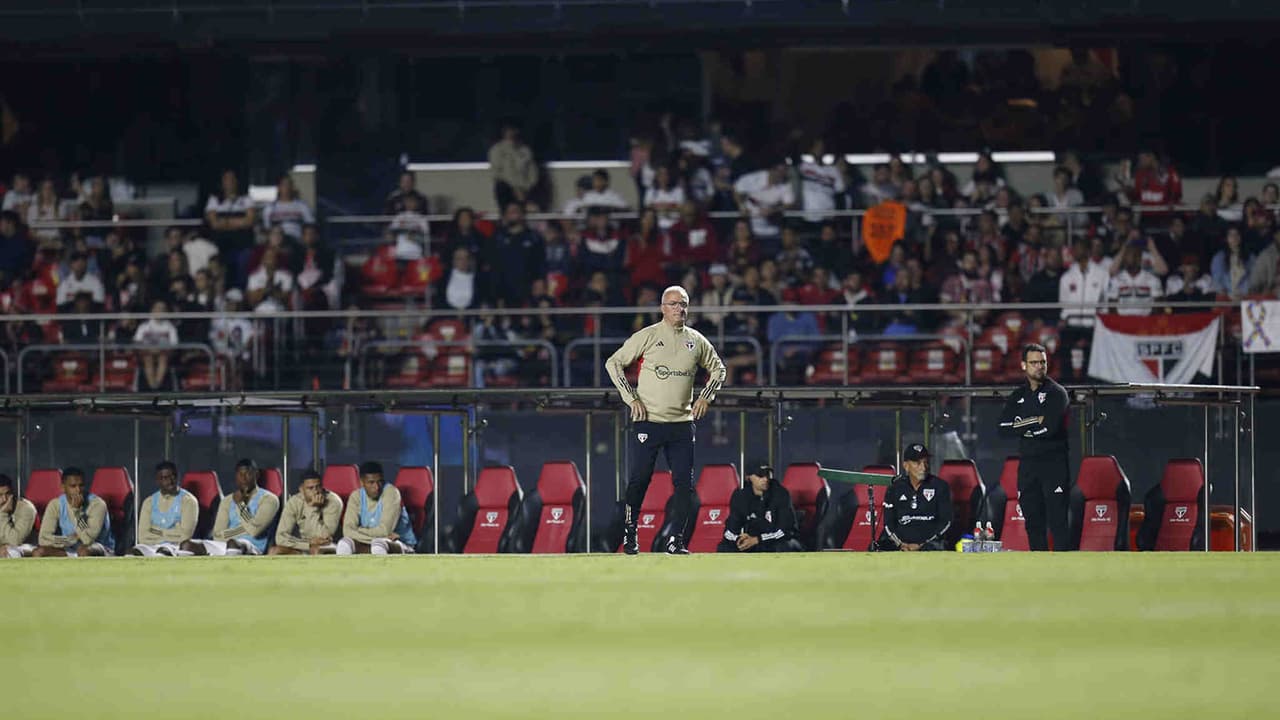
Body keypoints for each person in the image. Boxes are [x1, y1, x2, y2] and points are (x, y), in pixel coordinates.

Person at [605, 285, 727, 555]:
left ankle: (676, 540)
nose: (679, 309)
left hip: (682, 423)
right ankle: (630, 532)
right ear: (662, 307)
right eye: (673, 304)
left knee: (684, 485)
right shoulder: (648, 336)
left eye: (683, 304)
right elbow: (613, 363)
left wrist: (706, 396)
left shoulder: (696, 340)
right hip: (649, 421)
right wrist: (630, 398)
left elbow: (719, 368)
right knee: (640, 479)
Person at [998, 343, 1072, 552]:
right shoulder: (1018, 396)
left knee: (1058, 521)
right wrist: (1033, 422)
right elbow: (1003, 428)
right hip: (1028, 465)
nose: (1039, 366)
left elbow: (1049, 428)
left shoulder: (1057, 393)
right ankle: (1039, 569)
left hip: (1054, 465)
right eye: (1034, 362)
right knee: (1032, 521)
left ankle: (1064, 570)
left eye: (1042, 362)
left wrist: (1021, 425)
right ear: (1023, 365)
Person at [182, 459, 280, 556]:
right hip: (224, 545)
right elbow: (217, 535)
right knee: (187, 546)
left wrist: (240, 505)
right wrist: (244, 529)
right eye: (240, 474)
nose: (244, 478)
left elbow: (254, 531)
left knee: (233, 544)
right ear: (236, 476)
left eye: (248, 474)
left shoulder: (269, 499)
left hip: (253, 547)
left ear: (256, 475)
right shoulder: (227, 501)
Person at [876, 443, 953, 551]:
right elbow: (888, 524)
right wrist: (900, 544)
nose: (923, 467)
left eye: (926, 462)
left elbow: (946, 522)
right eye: (918, 463)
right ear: (906, 466)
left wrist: (922, 545)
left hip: (930, 545)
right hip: (900, 546)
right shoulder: (895, 488)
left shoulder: (940, 486)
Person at [717, 462, 804, 553]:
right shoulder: (740, 495)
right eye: (760, 475)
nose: (765, 479)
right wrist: (739, 539)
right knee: (724, 547)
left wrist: (757, 539)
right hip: (753, 539)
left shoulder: (780, 493)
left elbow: (785, 531)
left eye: (767, 474)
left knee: (784, 546)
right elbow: (729, 530)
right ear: (748, 477)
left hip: (779, 539)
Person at [336, 461, 417, 555]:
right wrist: (375, 536)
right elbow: (347, 531)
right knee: (344, 544)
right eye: (371, 483)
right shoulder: (356, 496)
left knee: (378, 545)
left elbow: (384, 531)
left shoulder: (391, 493)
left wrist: (358, 530)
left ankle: (382, 570)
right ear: (362, 483)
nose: (377, 487)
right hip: (371, 542)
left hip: (401, 543)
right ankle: (346, 570)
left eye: (380, 482)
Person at [33, 467, 113, 557]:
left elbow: (87, 539)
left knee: (84, 551)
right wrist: (67, 540)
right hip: (69, 547)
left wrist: (77, 512)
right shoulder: (56, 504)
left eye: (81, 485)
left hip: (99, 547)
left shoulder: (97, 504)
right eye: (73, 486)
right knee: (38, 552)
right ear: (63, 488)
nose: (78, 490)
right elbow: (43, 538)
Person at [129, 461, 198, 557]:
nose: (171, 481)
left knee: (163, 552)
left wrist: (155, 530)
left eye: (173, 476)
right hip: (150, 546)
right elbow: (142, 537)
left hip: (175, 547)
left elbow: (185, 536)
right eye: (165, 478)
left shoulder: (188, 501)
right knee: (132, 553)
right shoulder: (148, 502)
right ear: (158, 480)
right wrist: (173, 532)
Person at [271, 469, 343, 556]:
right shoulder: (294, 502)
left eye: (318, 487)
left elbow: (324, 537)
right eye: (310, 488)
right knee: (274, 551)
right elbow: (280, 537)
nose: (316, 491)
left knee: (317, 551)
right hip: (304, 545)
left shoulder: (333, 501)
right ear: (301, 490)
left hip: (329, 546)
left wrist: (314, 508)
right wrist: (308, 544)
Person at [0, 474, 38, 558]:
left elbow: (15, 540)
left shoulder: (26, 508)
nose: (4, 499)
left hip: (25, 547)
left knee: (9, 552)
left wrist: (3, 514)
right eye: (0, 495)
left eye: (7, 494)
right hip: (3, 547)